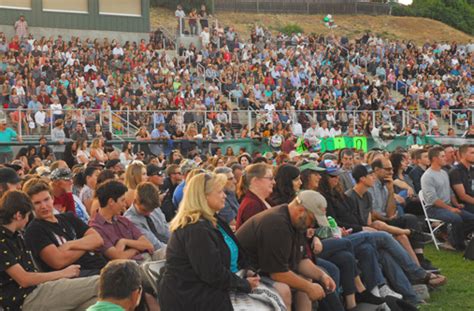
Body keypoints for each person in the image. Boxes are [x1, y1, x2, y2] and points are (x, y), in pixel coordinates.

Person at [158, 173, 260, 311]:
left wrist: (248, 270)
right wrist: (244, 284)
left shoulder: (213, 220)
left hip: (213, 288)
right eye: (219, 192)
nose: (224, 195)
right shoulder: (195, 229)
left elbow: (237, 252)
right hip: (192, 297)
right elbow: (212, 273)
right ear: (203, 196)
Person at [236, 190, 340, 311]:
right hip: (245, 273)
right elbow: (278, 273)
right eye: (313, 220)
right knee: (284, 289)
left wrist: (322, 276)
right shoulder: (277, 224)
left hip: (264, 270)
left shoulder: (295, 222)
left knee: (306, 280)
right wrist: (309, 287)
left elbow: (301, 260)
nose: (312, 225)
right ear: (301, 210)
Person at [0, 190, 99, 311]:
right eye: (27, 216)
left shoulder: (15, 235)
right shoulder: (4, 239)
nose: (27, 220)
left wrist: (72, 246)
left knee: (96, 303)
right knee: (102, 282)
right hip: (26, 298)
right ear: (18, 215)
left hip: (38, 290)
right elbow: (24, 279)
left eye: (47, 200)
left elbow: (98, 240)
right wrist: (63, 273)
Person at [23, 178, 106, 276]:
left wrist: (69, 245)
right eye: (37, 203)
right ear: (30, 206)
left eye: (46, 200)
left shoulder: (69, 217)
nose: (44, 206)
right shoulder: (34, 230)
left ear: (52, 198)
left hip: (100, 267)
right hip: (75, 276)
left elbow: (98, 240)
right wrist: (87, 246)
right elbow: (58, 261)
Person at [421, 146, 474, 251]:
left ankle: (453, 238)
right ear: (435, 159)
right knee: (456, 218)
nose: (446, 158)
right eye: (443, 156)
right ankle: (458, 245)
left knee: (472, 218)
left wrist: (456, 204)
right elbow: (433, 199)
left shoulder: (443, 173)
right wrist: (450, 209)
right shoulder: (427, 176)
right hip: (433, 208)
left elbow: (449, 192)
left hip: (446, 206)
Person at [89, 180, 156, 261]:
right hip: (129, 268)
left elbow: (149, 245)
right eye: (122, 200)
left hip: (145, 259)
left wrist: (124, 242)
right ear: (111, 202)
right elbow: (118, 257)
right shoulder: (96, 228)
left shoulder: (123, 220)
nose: (125, 205)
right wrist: (137, 249)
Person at [124, 182, 170, 252]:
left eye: (151, 210)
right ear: (135, 201)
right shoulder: (130, 220)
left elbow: (166, 229)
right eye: (144, 210)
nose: (148, 213)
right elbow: (154, 244)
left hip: (167, 246)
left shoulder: (154, 208)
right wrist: (174, 249)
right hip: (153, 252)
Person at [235, 163, 274, 229]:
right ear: (255, 181)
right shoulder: (252, 205)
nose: (274, 182)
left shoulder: (263, 200)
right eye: (270, 178)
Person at [449, 144, 474, 214]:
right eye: (472, 153)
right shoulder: (456, 171)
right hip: (464, 205)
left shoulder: (472, 170)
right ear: (463, 155)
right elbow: (462, 196)